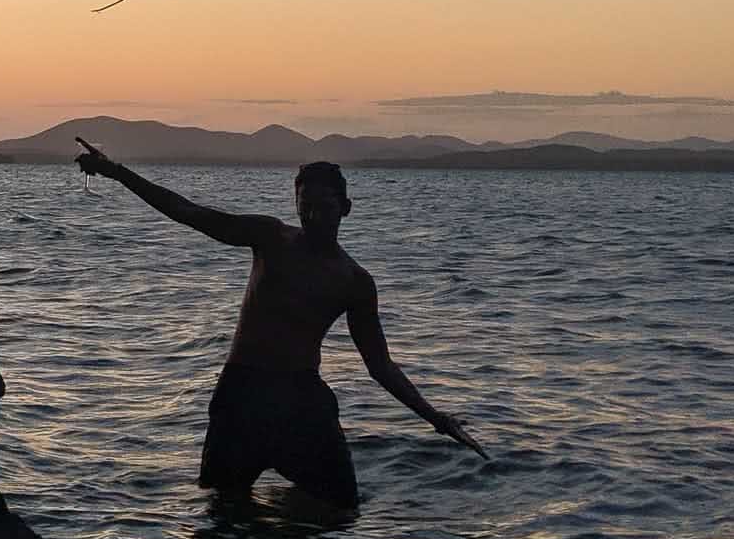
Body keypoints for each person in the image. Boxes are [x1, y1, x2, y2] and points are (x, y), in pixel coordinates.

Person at [74, 142, 486, 507]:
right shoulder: (270, 238)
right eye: (304, 204)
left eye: (323, 206)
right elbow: (190, 213)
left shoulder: (355, 281)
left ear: (345, 207)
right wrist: (117, 172)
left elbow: (380, 365)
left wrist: (436, 418)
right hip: (242, 395)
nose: (312, 214)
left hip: (301, 401)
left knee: (340, 510)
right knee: (224, 511)